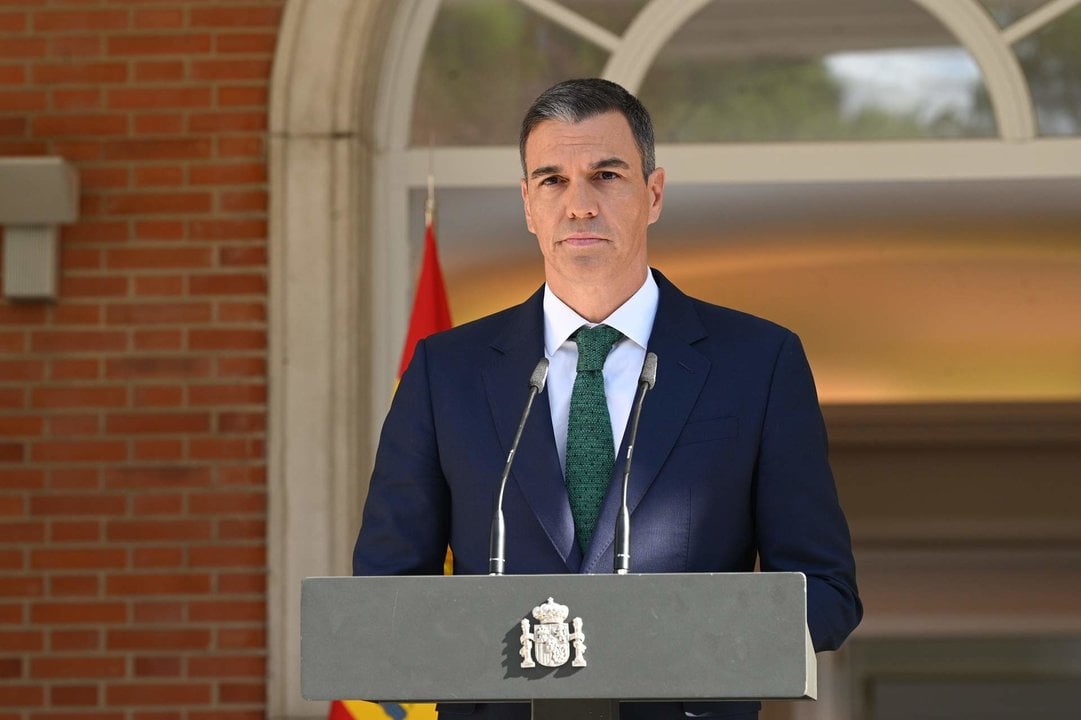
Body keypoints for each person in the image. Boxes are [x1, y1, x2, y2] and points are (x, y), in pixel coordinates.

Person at [354, 78, 862, 720]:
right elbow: (384, 595)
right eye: (552, 181)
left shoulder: (758, 362)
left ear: (652, 194)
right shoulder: (444, 372)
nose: (579, 205)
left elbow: (826, 592)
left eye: (605, 175)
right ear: (528, 205)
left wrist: (668, 645)